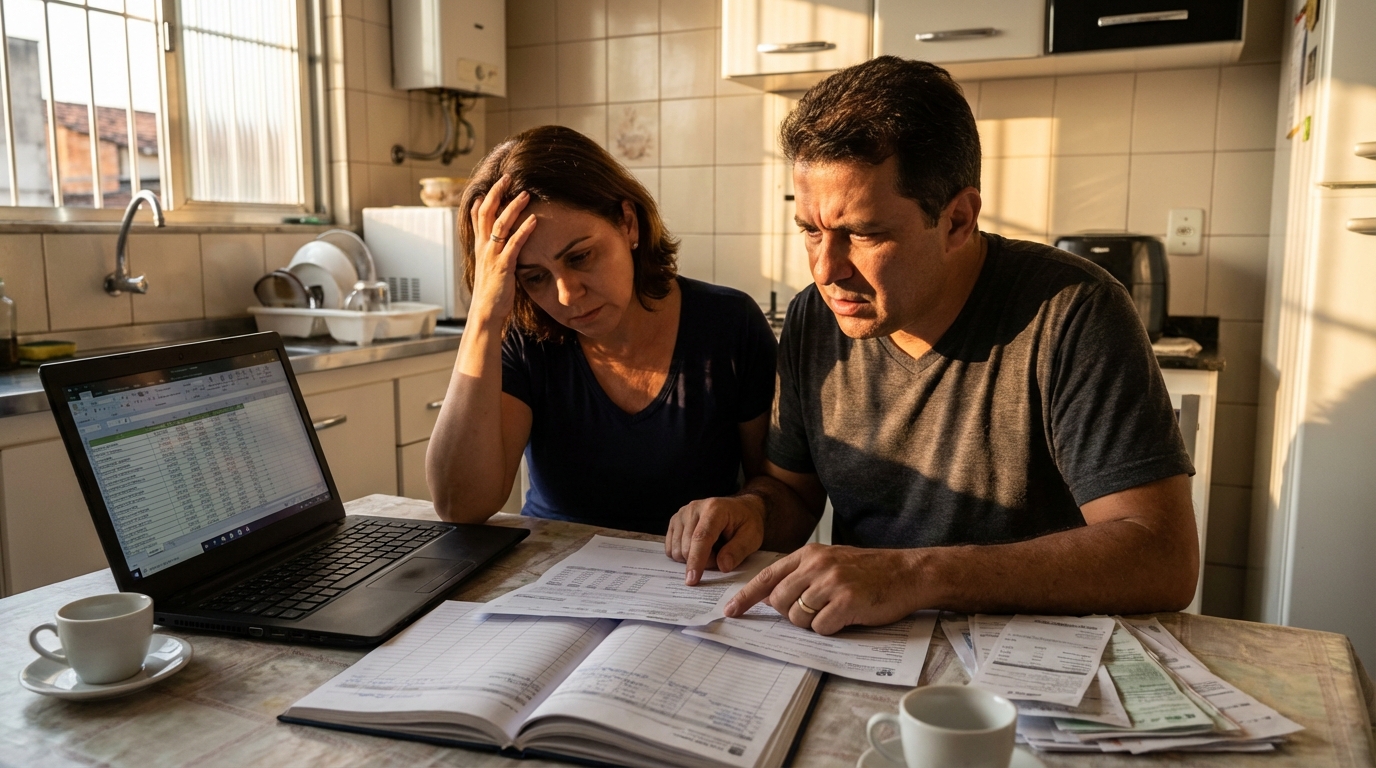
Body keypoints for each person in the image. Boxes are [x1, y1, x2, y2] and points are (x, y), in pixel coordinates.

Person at [666, 56, 1199, 635]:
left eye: (864, 234)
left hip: (1036, 657)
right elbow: (792, 495)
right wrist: (752, 511)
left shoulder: (1072, 313)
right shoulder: (812, 319)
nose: (826, 269)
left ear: (957, 221)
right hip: (867, 650)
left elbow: (1162, 558)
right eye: (811, 230)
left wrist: (915, 575)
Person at [427, 125, 777, 535]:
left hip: (693, 577)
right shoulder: (524, 339)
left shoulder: (729, 325)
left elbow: (778, 489)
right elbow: (459, 505)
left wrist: (748, 509)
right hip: (551, 576)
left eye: (580, 257)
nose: (566, 295)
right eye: (535, 277)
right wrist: (484, 314)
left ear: (627, 223)